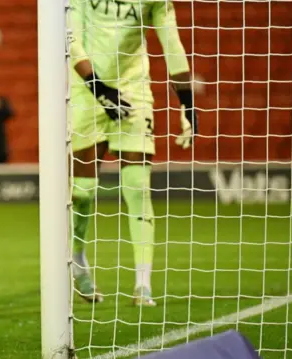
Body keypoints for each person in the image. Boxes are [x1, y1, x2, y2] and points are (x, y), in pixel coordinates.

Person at [68, 1, 198, 306]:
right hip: (84, 86)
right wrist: (99, 89)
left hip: (133, 87)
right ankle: (76, 261)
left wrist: (187, 102)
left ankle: (143, 284)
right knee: (83, 191)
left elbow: (171, 40)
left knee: (138, 187)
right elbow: (70, 38)